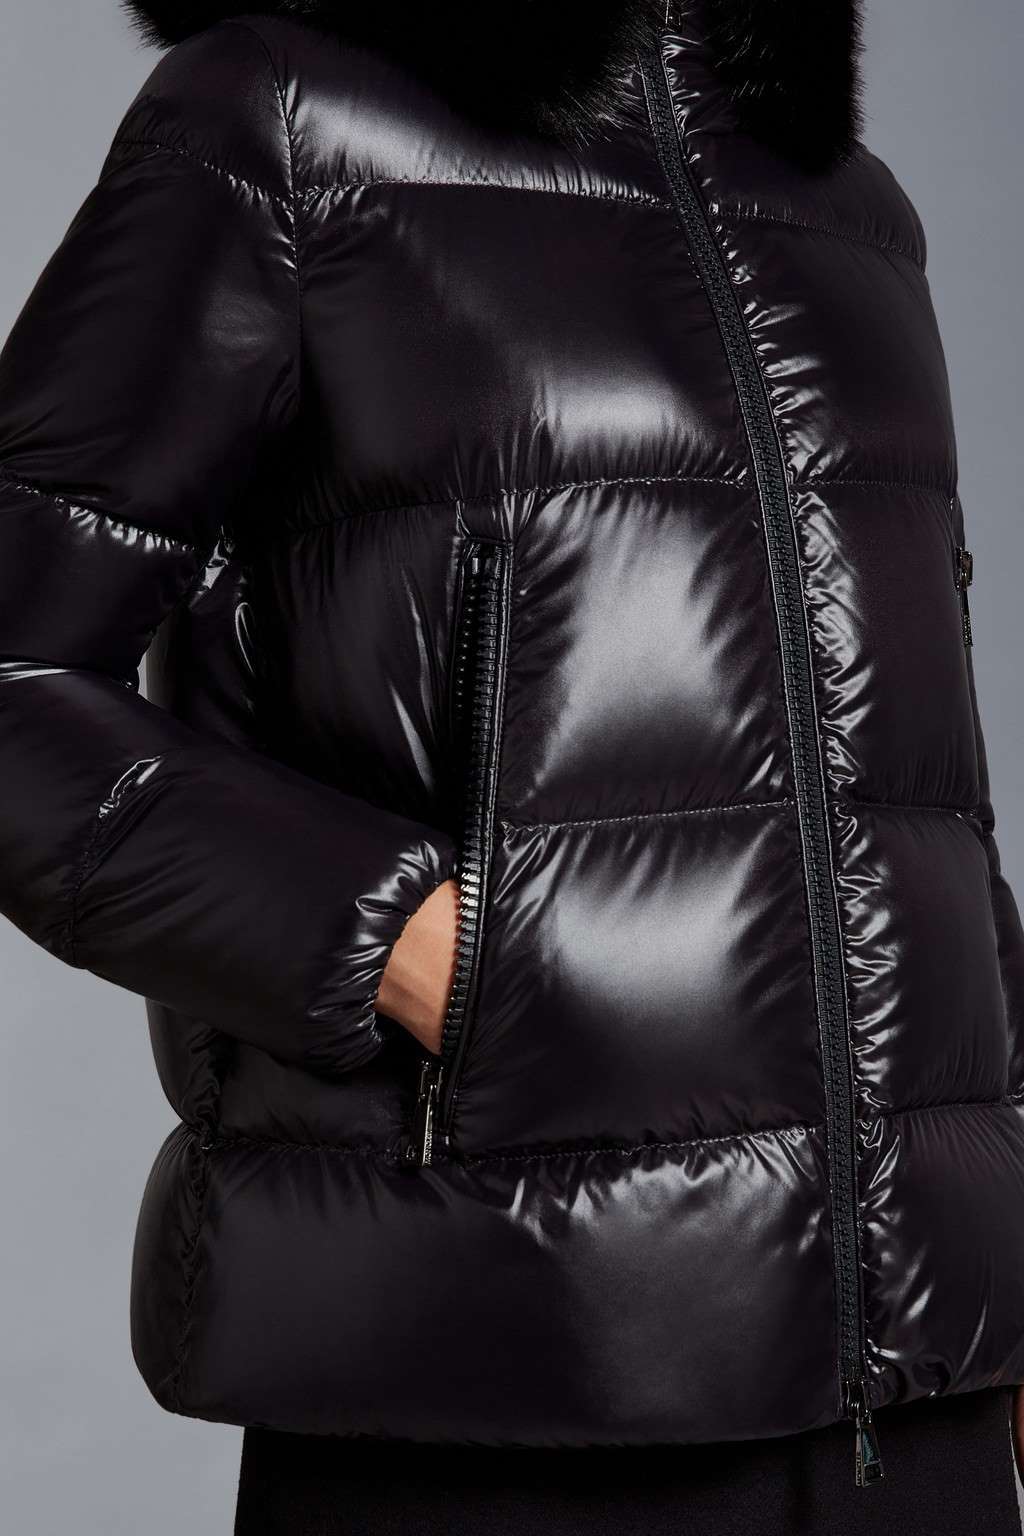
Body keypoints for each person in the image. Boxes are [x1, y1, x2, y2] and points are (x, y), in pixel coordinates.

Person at [1, 0, 1023, 1531]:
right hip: (500, 1352)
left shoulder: (851, 210)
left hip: (922, 1390)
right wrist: (409, 951)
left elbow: (914, 794)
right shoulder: (284, 121)